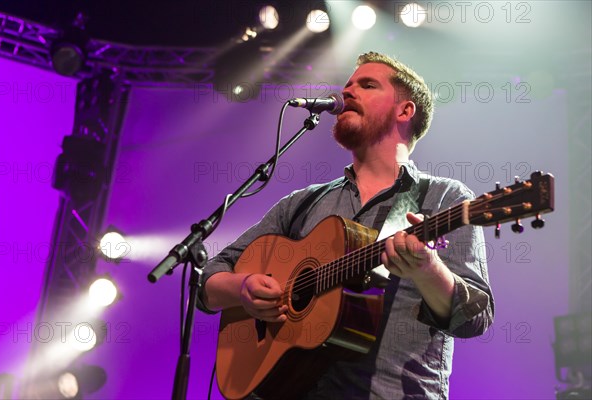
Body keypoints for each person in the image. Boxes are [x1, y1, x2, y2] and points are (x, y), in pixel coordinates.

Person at [198, 51, 494, 399]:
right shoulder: (303, 202)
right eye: (348, 84)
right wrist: (243, 288)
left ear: (405, 111)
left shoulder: (444, 198)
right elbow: (210, 277)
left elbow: (475, 319)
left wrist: (427, 269)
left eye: (367, 85)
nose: (347, 92)